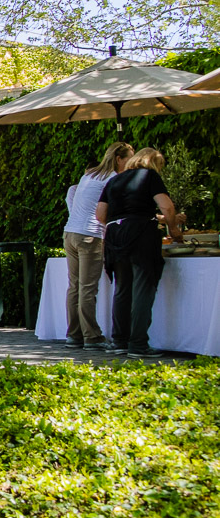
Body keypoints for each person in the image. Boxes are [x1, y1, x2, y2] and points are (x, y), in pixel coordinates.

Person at [97, 147, 184, 359]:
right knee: (143, 287)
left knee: (122, 288)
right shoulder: (149, 175)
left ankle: (119, 340)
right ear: (154, 163)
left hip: (115, 234)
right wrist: (174, 231)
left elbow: (100, 214)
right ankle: (138, 344)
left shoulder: (114, 181)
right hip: (141, 234)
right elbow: (168, 208)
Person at [64, 141, 131, 349]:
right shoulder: (114, 179)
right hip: (91, 236)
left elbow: (75, 198)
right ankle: (92, 337)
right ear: (119, 159)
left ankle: (73, 335)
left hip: (70, 233)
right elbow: (118, 211)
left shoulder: (90, 174)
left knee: (74, 287)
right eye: (129, 158)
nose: (132, 163)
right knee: (87, 288)